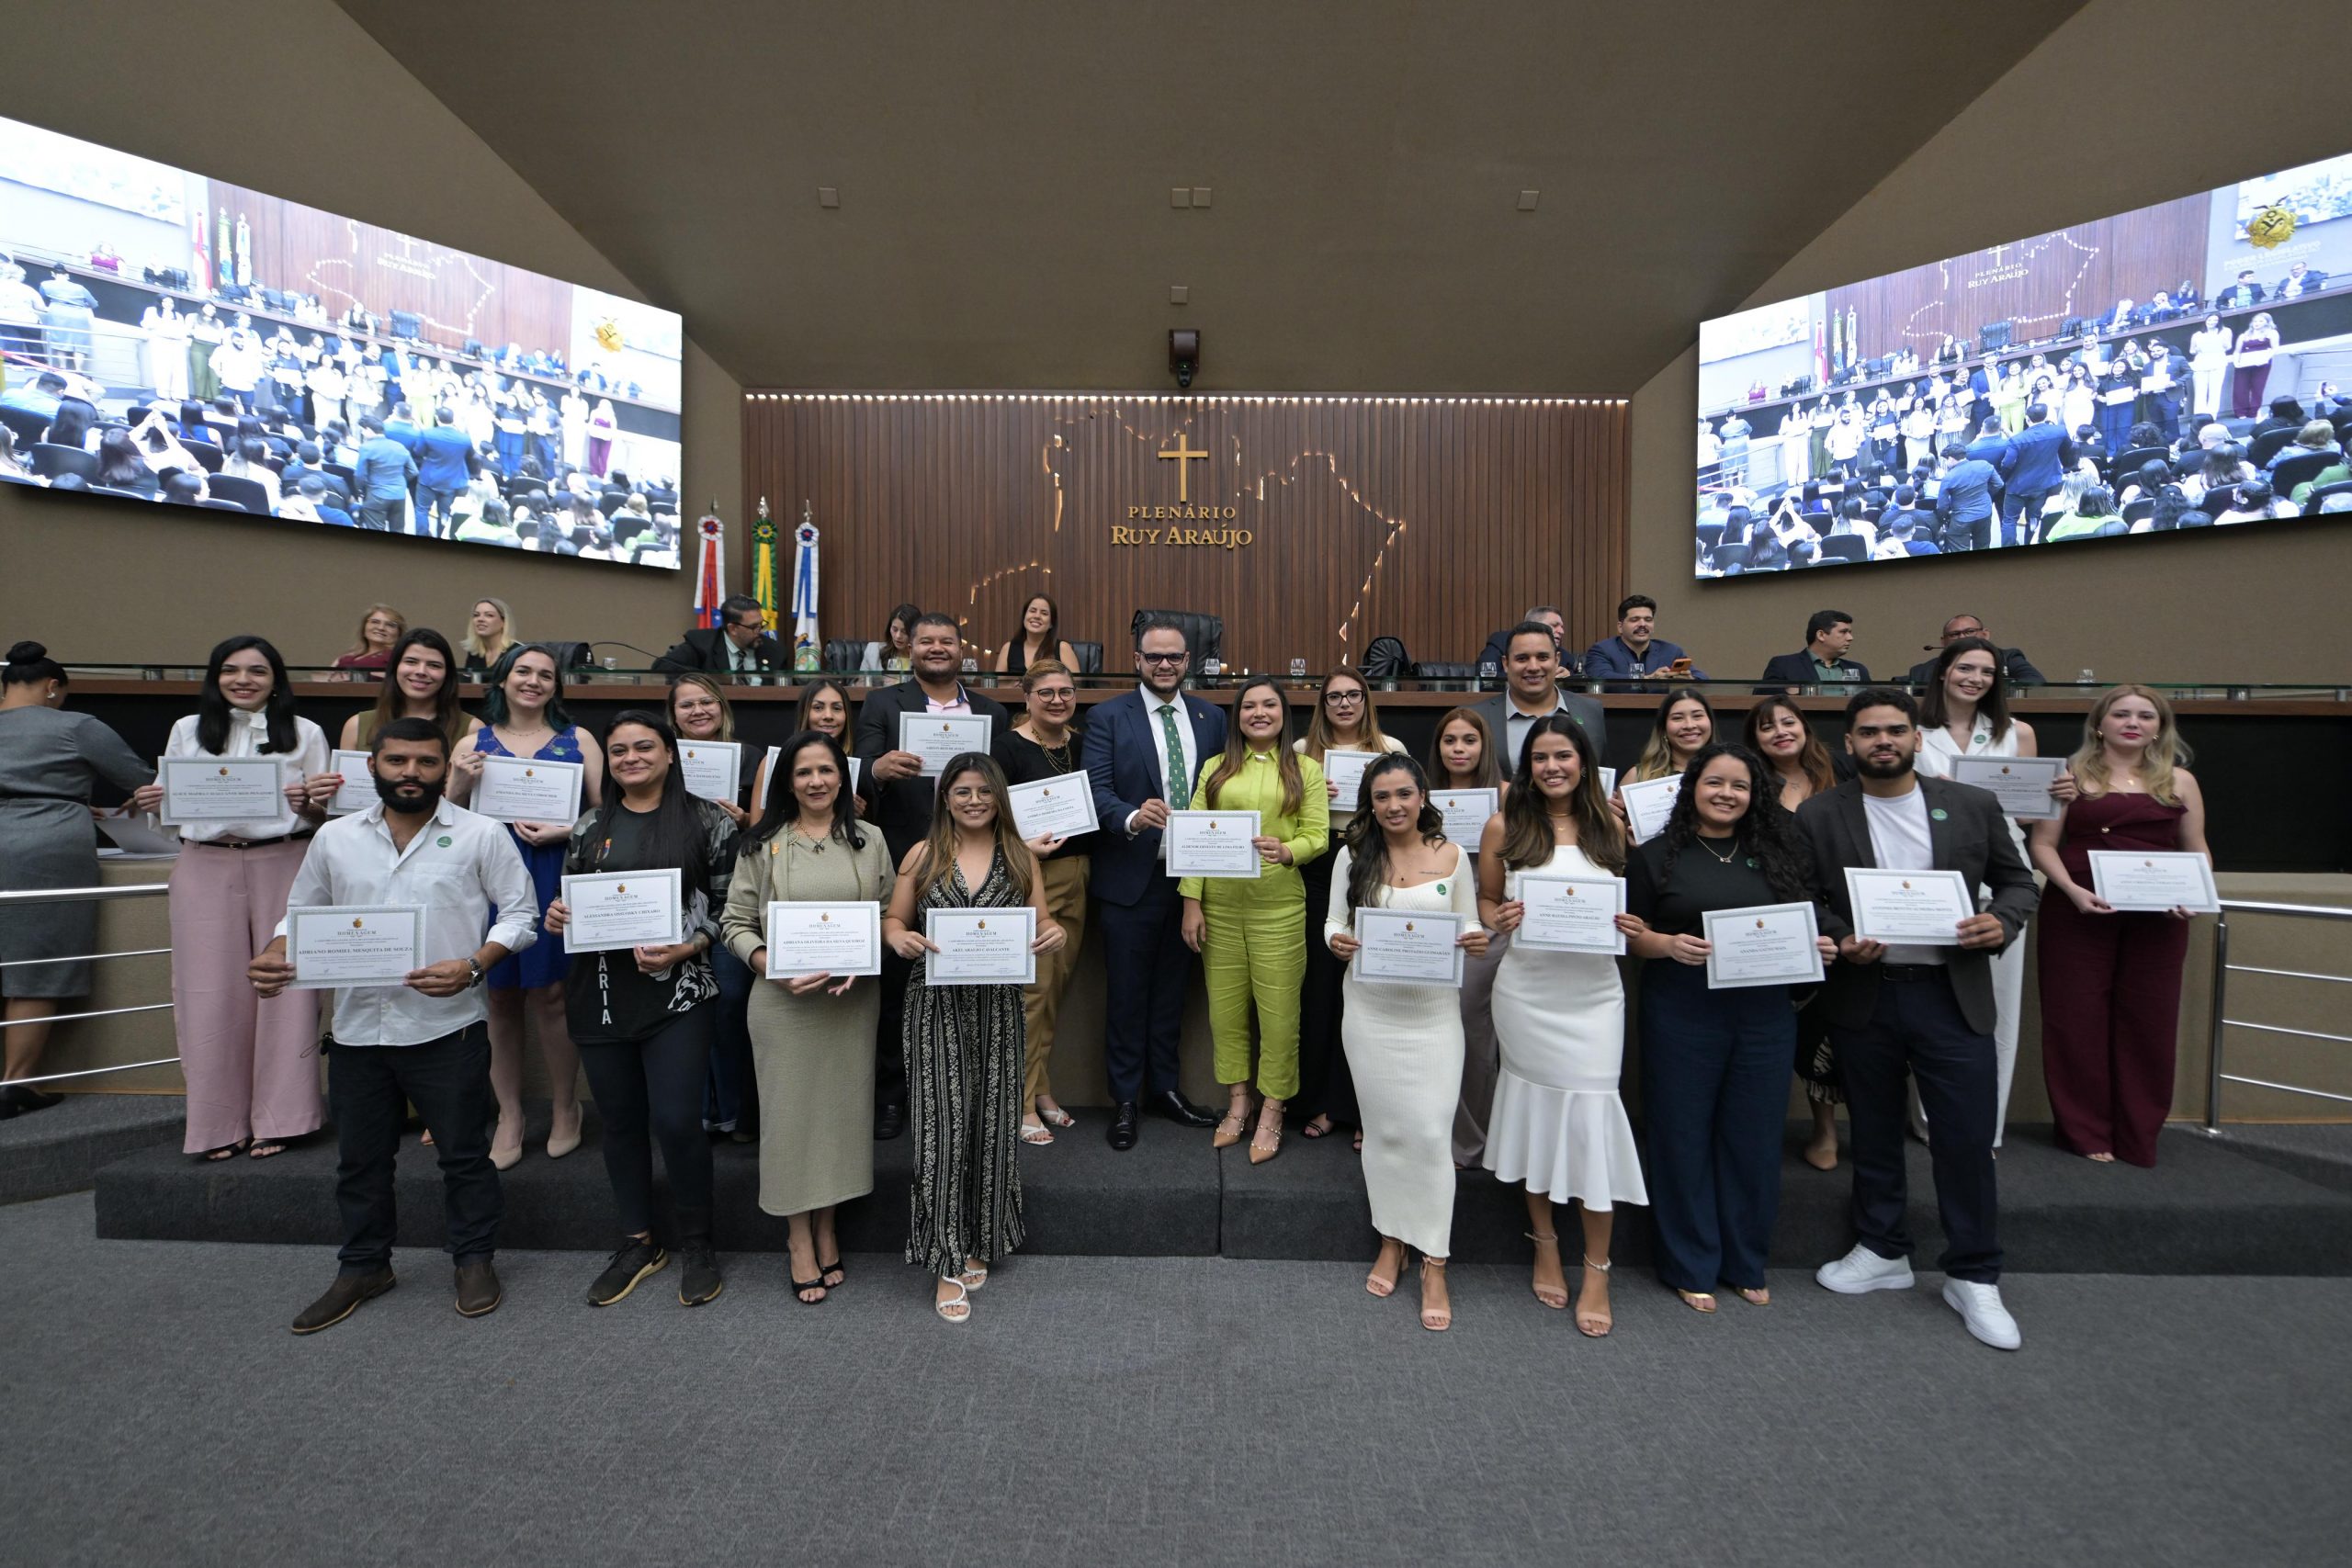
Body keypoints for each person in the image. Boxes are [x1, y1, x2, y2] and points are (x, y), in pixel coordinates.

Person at [248, 717, 534, 1332]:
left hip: (447, 1024)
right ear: (372, 765)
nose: (411, 772)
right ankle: (364, 1264)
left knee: (463, 1156)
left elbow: (520, 914)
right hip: (357, 1029)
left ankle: (475, 1258)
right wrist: (277, 948)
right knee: (361, 1160)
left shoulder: (481, 833)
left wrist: (475, 964)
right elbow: (300, 912)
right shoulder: (335, 837)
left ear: (443, 768)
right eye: (398, 760)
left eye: (426, 762)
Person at [1795, 688, 2037, 1351]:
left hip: (1949, 994)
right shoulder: (1819, 813)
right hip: (1865, 994)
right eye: (1869, 731)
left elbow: (2021, 882)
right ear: (1849, 742)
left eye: (1895, 730)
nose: (1883, 740)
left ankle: (1975, 1273)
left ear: (1914, 738)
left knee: (1962, 1138)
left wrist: (2003, 921)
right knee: (1871, 1130)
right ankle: (1882, 1248)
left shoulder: (1971, 805)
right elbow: (1803, 894)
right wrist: (1841, 935)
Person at [1627, 743, 1838, 1312]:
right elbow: (1631, 933)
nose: (1726, 794)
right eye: (1714, 782)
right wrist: (1665, 943)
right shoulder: (1654, 856)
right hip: (1681, 1008)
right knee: (1682, 1136)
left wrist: (1819, 945)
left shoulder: (1780, 852)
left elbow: (1808, 920)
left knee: (1753, 1137)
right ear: (1692, 786)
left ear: (1755, 795)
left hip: (1765, 1015)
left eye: (1739, 786)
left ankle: (1745, 1259)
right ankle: (1689, 1261)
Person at [540, 711, 734, 1308]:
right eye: (619, 749)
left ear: (670, 753)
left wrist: (691, 944)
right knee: (620, 1124)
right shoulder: (590, 825)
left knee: (677, 1121)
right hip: (599, 995)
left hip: (678, 993)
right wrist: (558, 916)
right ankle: (637, 1242)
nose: (630, 757)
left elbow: (732, 908)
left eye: (643, 746)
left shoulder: (708, 820)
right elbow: (570, 898)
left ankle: (697, 1242)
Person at [126, 637, 333, 1159]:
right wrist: (154, 801)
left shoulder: (306, 732)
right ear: (215, 677)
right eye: (232, 670)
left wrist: (310, 804)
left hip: (285, 861)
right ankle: (217, 1125)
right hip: (204, 863)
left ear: (276, 679)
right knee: (207, 993)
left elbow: (320, 819)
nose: (244, 680)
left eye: (258, 671)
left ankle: (283, 1118)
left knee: (289, 988)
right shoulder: (186, 731)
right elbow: (170, 812)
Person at [880, 753, 1065, 1323]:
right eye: (962, 791)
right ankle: (944, 1258)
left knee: (990, 1126)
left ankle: (982, 1235)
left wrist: (1053, 933)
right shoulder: (922, 853)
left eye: (984, 791)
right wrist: (899, 939)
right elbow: (893, 921)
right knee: (941, 1130)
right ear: (945, 798)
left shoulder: (1021, 856)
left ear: (999, 797)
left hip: (1000, 1008)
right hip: (935, 1007)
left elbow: (1043, 923)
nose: (974, 801)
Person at [1476, 715, 1642, 1337]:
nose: (1551, 767)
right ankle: (1545, 1241)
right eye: (1540, 757)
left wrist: (1631, 926)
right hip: (1527, 992)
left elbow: (1630, 903)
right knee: (1537, 1110)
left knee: (1594, 1115)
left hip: (1594, 996)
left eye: (1563, 756)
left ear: (1583, 761)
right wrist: (1504, 916)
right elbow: (1486, 901)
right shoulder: (1506, 825)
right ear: (1526, 766)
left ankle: (1597, 1266)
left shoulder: (1612, 827)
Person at [724, 728, 895, 1303]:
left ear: (842, 777)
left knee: (840, 1118)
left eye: (826, 770)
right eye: (803, 773)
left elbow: (890, 912)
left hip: (850, 1003)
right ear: (786, 783)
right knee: (791, 1119)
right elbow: (734, 924)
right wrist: (769, 962)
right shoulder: (761, 843)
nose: (817, 781)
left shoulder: (869, 839)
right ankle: (799, 1235)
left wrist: (867, 956)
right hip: (782, 1005)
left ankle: (828, 1225)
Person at [1325, 754, 1487, 1331]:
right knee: (1386, 1133)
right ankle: (1392, 1240)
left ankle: (1434, 1260)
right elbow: (1332, 923)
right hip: (1370, 1016)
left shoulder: (1451, 855)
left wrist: (1473, 939)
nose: (1393, 806)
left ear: (1422, 796)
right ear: (1369, 803)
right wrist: (1339, 942)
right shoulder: (1353, 855)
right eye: (1382, 796)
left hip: (1433, 1021)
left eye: (1403, 794)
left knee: (1428, 1134)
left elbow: (1467, 921)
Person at [2030, 686, 2210, 1168]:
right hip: (2080, 909)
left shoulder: (2181, 781)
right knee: (2075, 1021)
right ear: (2099, 724)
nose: (2134, 722)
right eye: (2122, 713)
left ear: (2160, 727)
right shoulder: (2069, 775)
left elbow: (2196, 846)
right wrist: (2071, 890)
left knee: (2150, 1023)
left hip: (2160, 918)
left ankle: (2138, 1133)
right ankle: (2084, 1130)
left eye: (2146, 715)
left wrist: (2193, 894)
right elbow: (2043, 844)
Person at [447, 646, 605, 1168]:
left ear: (556, 685)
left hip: (555, 869)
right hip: (489, 876)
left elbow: (608, 817)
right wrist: (461, 780)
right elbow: (445, 819)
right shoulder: (474, 741)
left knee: (552, 994)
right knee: (498, 996)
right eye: (523, 672)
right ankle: (510, 1115)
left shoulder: (578, 739)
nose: (533, 682)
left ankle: (565, 1108)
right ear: (503, 679)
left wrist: (567, 828)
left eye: (545, 675)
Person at [856, 613, 1013, 1138]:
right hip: (908, 859)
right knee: (902, 983)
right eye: (927, 641)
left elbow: (1002, 787)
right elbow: (859, 770)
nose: (937, 648)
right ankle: (895, 1095)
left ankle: (975, 1097)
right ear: (910, 647)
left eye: (947, 640)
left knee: (977, 981)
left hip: (980, 863)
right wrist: (876, 769)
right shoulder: (883, 703)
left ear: (961, 647)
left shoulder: (991, 710)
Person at [1914, 637, 2074, 1150]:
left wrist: (2057, 797)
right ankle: (1925, 1122)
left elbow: (2024, 815)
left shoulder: (2017, 732)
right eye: (1965, 668)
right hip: (1930, 876)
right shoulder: (1912, 729)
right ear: (1943, 672)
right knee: (1927, 1005)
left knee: (1999, 1009)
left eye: (1986, 671)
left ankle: (1987, 1126)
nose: (1975, 678)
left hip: (2002, 879)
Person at [1080, 615, 1225, 1149]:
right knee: (1126, 996)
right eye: (1154, 657)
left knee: (1171, 995)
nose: (1164, 665)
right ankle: (1124, 1100)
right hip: (1130, 878)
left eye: (1174, 657)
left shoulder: (1212, 717)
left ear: (1187, 662)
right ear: (1137, 660)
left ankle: (1165, 1090)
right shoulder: (1107, 717)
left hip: (1190, 882)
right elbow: (1095, 790)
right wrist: (1130, 817)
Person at [0, 644, 154, 1116]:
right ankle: (16, 1082)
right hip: (45, 848)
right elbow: (143, 781)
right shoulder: (75, 725)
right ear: (52, 687)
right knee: (36, 964)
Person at [1181, 674, 1329, 1163]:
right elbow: (1193, 840)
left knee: (1280, 1019)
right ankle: (1238, 1103)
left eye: (1269, 705)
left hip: (1279, 912)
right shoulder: (1216, 768)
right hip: (1220, 912)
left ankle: (1272, 1109)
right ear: (1237, 716)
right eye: (1249, 706)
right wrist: (1192, 903)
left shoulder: (1304, 769)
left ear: (1284, 714)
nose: (1259, 713)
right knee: (1225, 1018)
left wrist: (1289, 850)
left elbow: (1319, 834)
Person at [1294, 668, 1410, 1145]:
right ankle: (1321, 1102)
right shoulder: (1302, 753)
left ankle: (1366, 1108)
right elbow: (1287, 814)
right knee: (1321, 993)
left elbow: (1405, 808)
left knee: (1369, 992)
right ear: (1322, 704)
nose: (1344, 703)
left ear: (1366, 699)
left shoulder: (1392, 748)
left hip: (1374, 865)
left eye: (1353, 695)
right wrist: (1309, 794)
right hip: (1318, 868)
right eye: (1334, 696)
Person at [993, 660, 1095, 1144]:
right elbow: (986, 815)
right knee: (1033, 990)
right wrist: (1021, 849)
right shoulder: (1007, 747)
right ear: (1026, 695)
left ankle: (1042, 1086)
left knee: (1057, 987)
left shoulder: (1082, 743)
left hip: (1079, 873)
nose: (1058, 700)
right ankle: (1020, 1098)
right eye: (1047, 692)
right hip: (1033, 876)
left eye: (1066, 692)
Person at [1743, 695, 1847, 1166]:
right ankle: (1801, 1129)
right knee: (1799, 1026)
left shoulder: (1842, 775)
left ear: (1805, 726)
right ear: (1755, 739)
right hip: (1779, 916)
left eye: (1788, 722)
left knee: (1840, 1028)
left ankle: (1845, 1130)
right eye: (1767, 727)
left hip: (1844, 915)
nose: (1780, 731)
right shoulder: (1752, 786)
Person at [665, 674, 759, 1143]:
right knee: (682, 1008)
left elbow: (767, 831)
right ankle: (696, 1112)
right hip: (671, 900)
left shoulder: (752, 759)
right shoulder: (657, 758)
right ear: (673, 715)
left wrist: (745, 821)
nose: (698, 710)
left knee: (730, 1002)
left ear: (722, 706)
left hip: (733, 898)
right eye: (687, 705)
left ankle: (736, 1113)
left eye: (707, 701)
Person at [1426, 706, 1507, 1167]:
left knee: (1476, 1038)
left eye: (1468, 740)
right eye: (1449, 740)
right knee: (1433, 1036)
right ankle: (1438, 1136)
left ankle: (1473, 1142)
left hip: (1485, 931)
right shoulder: (1420, 798)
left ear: (1484, 746)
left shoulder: (1508, 797)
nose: (1459, 749)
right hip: (1433, 930)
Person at [1471, 621, 1605, 774]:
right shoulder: (1478, 718)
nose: (1533, 667)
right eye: (1522, 659)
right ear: (1506, 663)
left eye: (1542, 657)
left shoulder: (1590, 711)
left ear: (1556, 660)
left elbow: (1599, 777)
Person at [750, 678, 866, 827]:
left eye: (837, 708)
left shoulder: (859, 767)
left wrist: (853, 812)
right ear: (804, 713)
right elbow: (756, 826)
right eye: (818, 708)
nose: (828, 715)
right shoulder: (773, 763)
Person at [339, 627, 469, 752]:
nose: (421, 671)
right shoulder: (356, 726)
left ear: (447, 674)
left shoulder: (471, 729)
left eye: (434, 665)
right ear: (395, 667)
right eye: (411, 662)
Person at [653, 594, 788, 679]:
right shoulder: (701, 643)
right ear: (733, 628)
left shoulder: (774, 650)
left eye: (761, 624)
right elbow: (662, 667)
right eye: (753, 627)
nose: (759, 631)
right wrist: (712, 678)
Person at [1580, 594, 1704, 684]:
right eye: (1635, 620)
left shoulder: (1671, 651)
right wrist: (1649, 679)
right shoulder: (1602, 650)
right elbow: (1602, 678)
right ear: (1620, 626)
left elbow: (1703, 678)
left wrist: (1690, 680)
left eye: (1648, 620)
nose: (1643, 624)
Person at [1902, 615, 2045, 689]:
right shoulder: (1924, 670)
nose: (1962, 637)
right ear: (1943, 642)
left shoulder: (2008, 658)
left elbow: (2036, 682)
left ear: (1985, 634)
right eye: (1954, 634)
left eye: (1969, 631)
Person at [1758, 609, 1868, 691]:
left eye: (1850, 633)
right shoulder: (1783, 665)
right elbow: (1762, 700)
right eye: (1843, 632)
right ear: (1821, 635)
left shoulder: (1858, 669)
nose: (1850, 638)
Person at [1625, 690, 1713, 784]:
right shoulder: (1638, 776)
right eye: (1677, 718)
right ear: (1663, 729)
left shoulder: (1729, 772)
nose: (1689, 725)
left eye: (1697, 716)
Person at [350, 415, 415, 534]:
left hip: (376, 495)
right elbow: (413, 471)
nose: (363, 433)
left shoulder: (366, 448)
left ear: (369, 430)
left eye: (363, 430)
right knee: (398, 530)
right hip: (399, 495)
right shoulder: (399, 446)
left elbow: (359, 476)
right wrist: (400, 482)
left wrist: (360, 491)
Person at [993, 592, 1082, 676]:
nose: (1037, 616)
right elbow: (998, 686)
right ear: (1024, 616)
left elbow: (1076, 686)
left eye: (1044, 613)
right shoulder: (1008, 648)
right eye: (1032, 611)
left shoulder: (1062, 648)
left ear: (1051, 623)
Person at [1475, 604, 1567, 672]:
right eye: (1555, 625)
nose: (1561, 631)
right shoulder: (1501, 642)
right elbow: (1485, 677)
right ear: (1533, 624)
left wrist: (1567, 678)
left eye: (1561, 627)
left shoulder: (1565, 656)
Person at [332, 604, 405, 678]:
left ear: (399, 633)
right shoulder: (347, 657)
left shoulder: (398, 657)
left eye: (390, 625)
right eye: (375, 622)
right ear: (364, 627)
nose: (381, 628)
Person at [2231, 314, 2279, 420]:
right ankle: (2240, 412)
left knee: (2257, 388)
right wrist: (2236, 362)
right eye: (2255, 321)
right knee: (2240, 388)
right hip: (2243, 364)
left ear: (2267, 322)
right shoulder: (2244, 335)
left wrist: (2265, 358)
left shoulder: (2271, 333)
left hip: (2262, 364)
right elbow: (2237, 351)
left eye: (2260, 321)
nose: (2257, 324)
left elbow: (2275, 348)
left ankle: (2253, 412)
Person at [863, 602, 922, 673]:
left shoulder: (924, 657)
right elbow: (861, 682)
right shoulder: (873, 651)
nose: (898, 636)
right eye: (895, 629)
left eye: (904, 631)